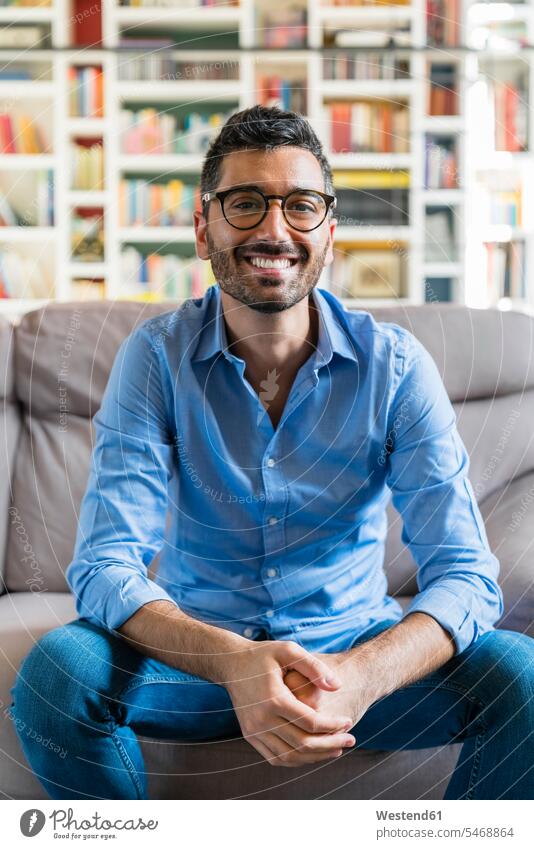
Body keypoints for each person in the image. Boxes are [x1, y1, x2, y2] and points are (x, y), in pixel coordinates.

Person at [11, 105, 534, 801]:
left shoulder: (396, 368)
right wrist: (234, 663)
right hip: (194, 665)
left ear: (329, 232)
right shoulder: (156, 358)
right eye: (246, 203)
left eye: (301, 205)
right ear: (205, 227)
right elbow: (107, 565)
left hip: (349, 656)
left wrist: (364, 675)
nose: (274, 230)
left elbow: (466, 575)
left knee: (520, 677)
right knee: (58, 674)